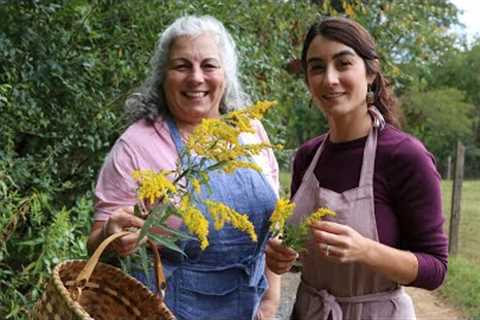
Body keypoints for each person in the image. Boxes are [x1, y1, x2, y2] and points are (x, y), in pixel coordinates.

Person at [87, 15, 280, 320]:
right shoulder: (136, 145)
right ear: (163, 76)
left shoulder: (250, 131)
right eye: (181, 66)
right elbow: (98, 241)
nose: (196, 78)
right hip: (167, 312)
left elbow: (273, 228)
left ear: (226, 74)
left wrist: (270, 301)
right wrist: (112, 237)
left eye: (209, 65)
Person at [265, 16, 448, 319]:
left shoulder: (405, 156)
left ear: (371, 72)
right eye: (317, 67)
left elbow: (436, 269)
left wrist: (365, 250)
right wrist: (284, 257)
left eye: (343, 63)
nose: (330, 78)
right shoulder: (307, 157)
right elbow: (303, 255)